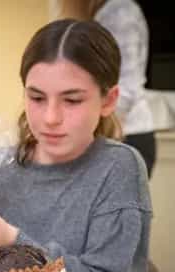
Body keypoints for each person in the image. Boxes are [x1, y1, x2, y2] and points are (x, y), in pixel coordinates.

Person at [0, 19, 152, 272]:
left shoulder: (117, 167)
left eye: (72, 100)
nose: (51, 117)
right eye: (37, 97)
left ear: (108, 100)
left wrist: (15, 246)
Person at [58, 0, 156, 177]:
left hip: (127, 135)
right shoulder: (102, 14)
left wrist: (91, 129)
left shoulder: (120, 12)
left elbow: (128, 85)